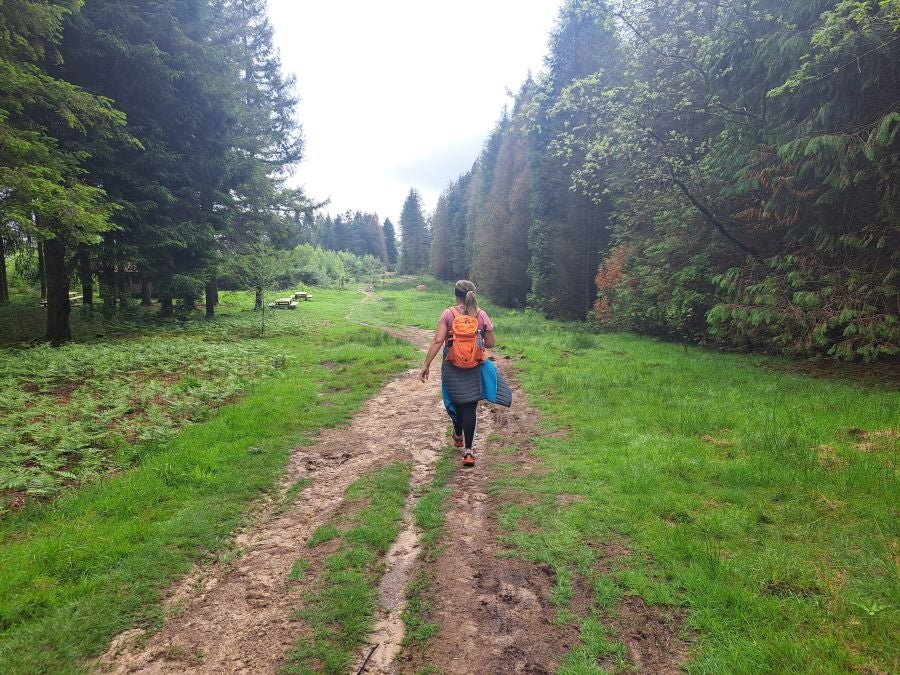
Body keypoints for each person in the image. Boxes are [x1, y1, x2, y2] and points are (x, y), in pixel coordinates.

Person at [419, 280, 511, 466]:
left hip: (452, 366)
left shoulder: (448, 313)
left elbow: (438, 340)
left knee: (455, 402)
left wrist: (426, 364)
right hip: (474, 366)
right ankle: (468, 453)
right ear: (473, 295)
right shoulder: (481, 315)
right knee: (469, 406)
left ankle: (458, 433)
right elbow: (491, 343)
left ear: (456, 295)